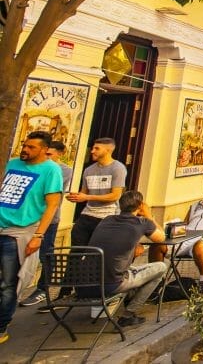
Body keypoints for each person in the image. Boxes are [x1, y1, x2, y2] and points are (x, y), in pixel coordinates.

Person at [0, 131, 63, 344]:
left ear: (45, 150)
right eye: (25, 145)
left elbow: (52, 204)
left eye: (32, 147)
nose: (25, 150)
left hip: (18, 232)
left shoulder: (51, 170)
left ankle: (1, 326)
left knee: (9, 283)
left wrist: (38, 235)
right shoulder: (12, 163)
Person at [88, 190, 166, 327]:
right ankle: (128, 314)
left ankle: (128, 297)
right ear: (140, 206)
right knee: (161, 267)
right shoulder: (142, 223)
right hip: (112, 283)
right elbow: (161, 238)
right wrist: (149, 216)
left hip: (86, 284)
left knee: (132, 268)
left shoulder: (106, 220)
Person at [19, 140, 74, 307]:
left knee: (46, 253)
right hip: (27, 219)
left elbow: (42, 190)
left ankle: (43, 288)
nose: (46, 157)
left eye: (50, 154)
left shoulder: (60, 170)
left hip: (48, 219)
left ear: (60, 154)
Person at [148, 179, 203, 289]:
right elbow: (184, 224)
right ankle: (157, 282)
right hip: (186, 238)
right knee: (157, 246)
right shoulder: (194, 206)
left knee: (200, 246)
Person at [68, 138, 128, 246]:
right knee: (76, 248)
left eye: (97, 148)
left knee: (98, 251)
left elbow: (115, 196)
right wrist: (76, 197)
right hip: (87, 213)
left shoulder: (118, 168)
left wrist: (87, 197)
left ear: (108, 150)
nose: (92, 151)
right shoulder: (88, 170)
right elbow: (84, 193)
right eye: (93, 148)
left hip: (107, 216)